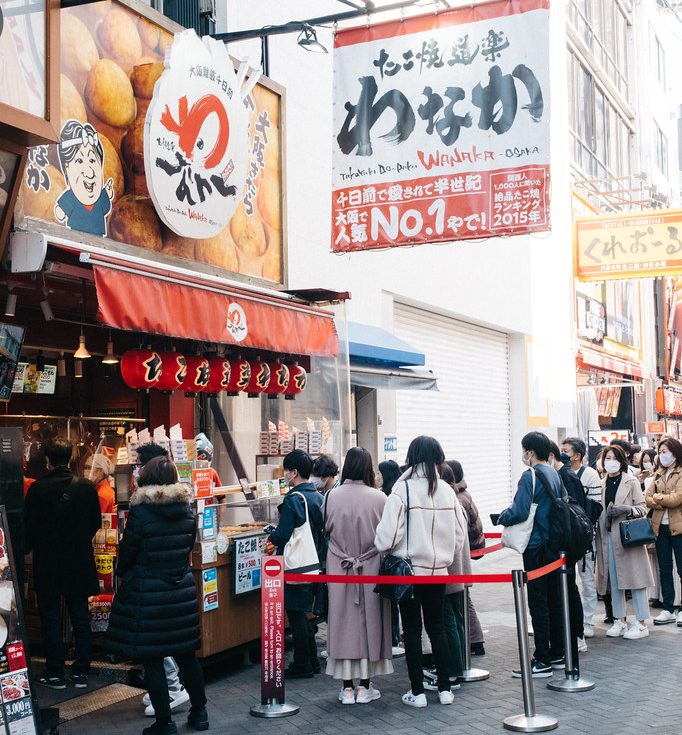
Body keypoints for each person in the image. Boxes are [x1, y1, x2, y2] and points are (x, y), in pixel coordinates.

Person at [106, 457, 208, 735]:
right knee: (187, 656)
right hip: (180, 591)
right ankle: (200, 713)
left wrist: (126, 571)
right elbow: (187, 547)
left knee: (153, 659)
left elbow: (126, 555)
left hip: (148, 594)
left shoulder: (140, 514)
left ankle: (164, 723)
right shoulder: (188, 511)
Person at [375, 436, 462, 708]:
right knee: (437, 628)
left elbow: (387, 537)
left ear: (411, 457)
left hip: (409, 572)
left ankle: (418, 692)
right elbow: (459, 537)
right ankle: (445, 689)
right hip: (438, 571)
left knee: (412, 631)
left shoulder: (403, 490)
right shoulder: (448, 491)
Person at [24, 439, 101, 689]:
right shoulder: (87, 488)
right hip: (78, 560)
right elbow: (95, 523)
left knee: (50, 616)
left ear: (47, 460)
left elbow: (29, 528)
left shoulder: (37, 489)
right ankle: (81, 671)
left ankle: (55, 672)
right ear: (69, 458)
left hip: (48, 562)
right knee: (79, 614)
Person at [323, 447, 393, 704]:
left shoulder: (332, 496)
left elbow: (326, 529)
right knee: (371, 621)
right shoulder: (380, 498)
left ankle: (346, 687)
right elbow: (387, 536)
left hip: (340, 566)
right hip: (371, 564)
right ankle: (365, 686)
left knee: (341, 621)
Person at [497, 432, 566, 678]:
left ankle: (542, 659)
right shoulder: (554, 473)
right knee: (554, 599)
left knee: (538, 602)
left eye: (523, 450)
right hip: (554, 545)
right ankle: (558, 653)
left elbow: (519, 510)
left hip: (536, 545)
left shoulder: (531, 476)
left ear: (529, 452)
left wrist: (502, 517)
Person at [134, 443, 190, 718]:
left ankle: (172, 691)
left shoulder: (144, 510)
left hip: (152, 586)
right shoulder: (184, 505)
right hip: (179, 584)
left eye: (139, 465)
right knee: (179, 645)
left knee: (156, 646)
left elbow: (131, 550)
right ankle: (190, 702)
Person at [268, 450, 324, 678]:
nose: (284, 475)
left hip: (297, 565)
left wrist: (271, 538)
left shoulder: (293, 499)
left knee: (296, 612)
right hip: (316, 562)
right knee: (305, 613)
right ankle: (312, 660)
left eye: (286, 471)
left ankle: (302, 664)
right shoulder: (318, 496)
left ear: (294, 472)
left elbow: (283, 534)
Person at [596, 444, 653, 640]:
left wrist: (626, 509)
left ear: (622, 461)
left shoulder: (631, 482)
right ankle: (619, 620)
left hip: (628, 538)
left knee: (636, 579)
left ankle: (641, 622)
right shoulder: (601, 483)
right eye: (607, 458)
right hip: (607, 537)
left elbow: (643, 508)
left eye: (614, 458)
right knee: (614, 579)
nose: (610, 462)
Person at [560, 437, 601, 639]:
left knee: (586, 579)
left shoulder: (590, 474)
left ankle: (587, 621)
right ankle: (572, 621)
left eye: (565, 450)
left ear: (577, 455)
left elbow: (596, 506)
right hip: (565, 536)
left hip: (583, 536)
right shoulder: (559, 472)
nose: (562, 453)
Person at [548, 441, 586, 658]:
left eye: (565, 452)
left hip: (569, 544)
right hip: (566, 544)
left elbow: (574, 511)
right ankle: (573, 634)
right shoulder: (563, 475)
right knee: (568, 589)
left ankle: (577, 635)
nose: (563, 455)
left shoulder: (568, 477)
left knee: (570, 589)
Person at [445, 459, 486, 655]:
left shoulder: (457, 498)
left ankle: (474, 640)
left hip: (461, 554)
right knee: (463, 599)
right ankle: (475, 640)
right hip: (468, 550)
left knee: (462, 600)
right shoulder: (463, 494)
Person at [644, 437, 682, 626]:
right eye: (660, 452)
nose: (662, 455)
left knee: (681, 569)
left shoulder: (681, 472)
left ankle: (681, 608)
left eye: (665, 451)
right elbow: (646, 498)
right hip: (660, 527)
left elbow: (677, 499)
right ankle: (668, 608)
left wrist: (658, 498)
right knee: (664, 569)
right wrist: (662, 498)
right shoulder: (658, 474)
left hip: (679, 527)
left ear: (675, 452)